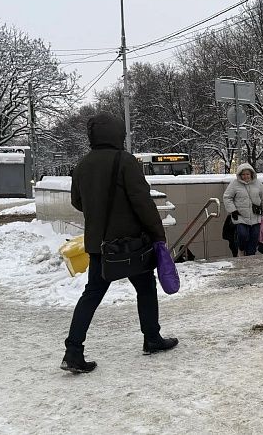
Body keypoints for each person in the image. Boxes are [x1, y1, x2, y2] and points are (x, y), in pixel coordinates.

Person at [63, 112, 178, 374]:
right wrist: (157, 234)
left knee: (91, 295)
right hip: (131, 243)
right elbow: (142, 201)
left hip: (100, 244)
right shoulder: (125, 161)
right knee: (146, 288)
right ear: (117, 134)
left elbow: (77, 202)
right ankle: (152, 338)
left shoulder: (82, 165)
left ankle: (73, 351)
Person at [223, 163, 263, 256]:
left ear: (251, 174)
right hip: (240, 216)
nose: (245, 176)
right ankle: (241, 248)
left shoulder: (258, 183)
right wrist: (233, 210)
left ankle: (250, 259)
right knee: (242, 235)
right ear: (240, 175)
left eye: (247, 174)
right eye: (243, 174)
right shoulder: (234, 184)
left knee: (254, 239)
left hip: (255, 216)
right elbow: (227, 197)